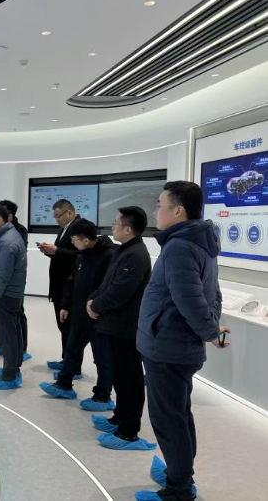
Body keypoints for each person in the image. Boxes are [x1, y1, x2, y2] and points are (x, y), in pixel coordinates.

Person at [134, 182, 230, 501]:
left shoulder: (180, 246)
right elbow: (212, 293)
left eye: (160, 205)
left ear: (177, 211)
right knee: (178, 414)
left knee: (169, 420)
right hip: (176, 345)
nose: (156, 212)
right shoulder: (199, 241)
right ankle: (181, 475)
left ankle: (178, 489)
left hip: (168, 348)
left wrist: (210, 333)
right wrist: (210, 330)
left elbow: (191, 300)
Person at [87, 206, 155, 451]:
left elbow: (119, 292)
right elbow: (107, 283)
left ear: (128, 229)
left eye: (116, 223)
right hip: (113, 325)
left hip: (125, 328)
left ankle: (128, 432)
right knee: (119, 376)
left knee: (129, 379)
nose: (112, 227)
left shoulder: (135, 255)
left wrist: (96, 306)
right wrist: (92, 299)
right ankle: (119, 418)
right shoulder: (123, 250)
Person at [39, 219, 115, 411]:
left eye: (74, 239)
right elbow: (72, 281)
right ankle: (64, 384)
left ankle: (103, 397)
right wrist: (65, 304)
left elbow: (107, 288)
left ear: (86, 240)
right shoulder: (82, 255)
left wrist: (96, 307)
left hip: (98, 316)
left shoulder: (108, 256)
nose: (72, 243)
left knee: (102, 358)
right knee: (72, 348)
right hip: (79, 313)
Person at [0, 204, 28, 390]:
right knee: (14, 332)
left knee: (9, 335)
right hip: (12, 293)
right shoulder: (10, 235)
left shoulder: (6, 242)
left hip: (5, 294)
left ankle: (9, 375)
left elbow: (4, 273)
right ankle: (13, 369)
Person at [38, 199, 80, 371]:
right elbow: (63, 255)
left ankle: (73, 367)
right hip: (59, 285)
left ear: (69, 212)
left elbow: (79, 255)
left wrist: (56, 250)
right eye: (55, 216)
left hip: (69, 286)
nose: (56, 219)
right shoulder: (65, 228)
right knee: (64, 327)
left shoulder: (78, 227)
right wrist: (50, 251)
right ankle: (66, 361)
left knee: (69, 328)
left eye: (58, 216)